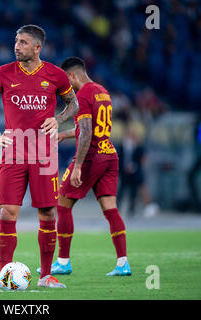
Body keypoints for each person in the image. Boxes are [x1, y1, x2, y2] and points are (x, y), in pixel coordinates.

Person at [0, 25, 80, 290]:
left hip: (44, 153)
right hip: (13, 151)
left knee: (47, 213)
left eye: (23, 42)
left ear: (37, 47)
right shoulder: (3, 73)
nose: (17, 46)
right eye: (16, 41)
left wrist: (58, 120)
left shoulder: (55, 75)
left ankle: (46, 276)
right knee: (7, 211)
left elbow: (74, 104)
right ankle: (3, 277)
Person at [39, 57, 131, 277]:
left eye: (65, 81)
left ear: (72, 76)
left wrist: (78, 165)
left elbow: (88, 132)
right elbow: (93, 128)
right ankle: (123, 263)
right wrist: (65, 134)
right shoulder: (102, 91)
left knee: (62, 204)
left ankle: (63, 261)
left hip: (91, 156)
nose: (65, 88)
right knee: (110, 209)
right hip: (109, 154)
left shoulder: (82, 95)